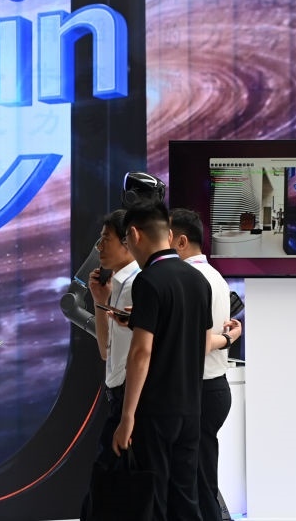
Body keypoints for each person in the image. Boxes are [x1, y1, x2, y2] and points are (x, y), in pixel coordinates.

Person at [112, 201, 212, 521]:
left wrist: (127, 416)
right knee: (185, 498)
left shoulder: (148, 280)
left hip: (155, 410)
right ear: (168, 235)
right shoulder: (199, 280)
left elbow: (141, 353)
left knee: (152, 499)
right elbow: (197, 338)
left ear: (134, 234)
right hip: (191, 408)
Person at [170, 208, 242, 521]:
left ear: (181, 242)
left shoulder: (192, 278)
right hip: (210, 388)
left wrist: (226, 339)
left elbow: (194, 343)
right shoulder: (215, 276)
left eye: (165, 237)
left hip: (200, 391)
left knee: (197, 485)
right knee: (199, 481)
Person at [80, 209, 141, 519]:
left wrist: (128, 414)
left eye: (106, 239)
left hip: (131, 398)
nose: (99, 247)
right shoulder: (118, 284)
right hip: (118, 395)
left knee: (109, 488)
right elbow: (107, 350)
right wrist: (99, 301)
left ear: (128, 242)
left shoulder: (137, 284)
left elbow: (142, 352)